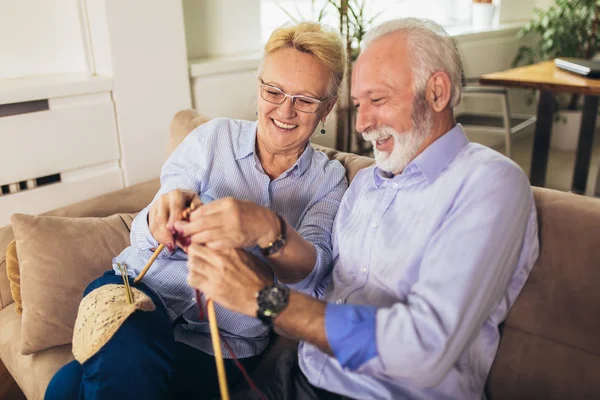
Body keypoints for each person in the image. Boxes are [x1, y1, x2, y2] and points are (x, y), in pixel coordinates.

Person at [186, 18, 539, 400]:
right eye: (358, 104)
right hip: (301, 378)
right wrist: (264, 246)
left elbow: (425, 348)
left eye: (379, 100)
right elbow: (316, 299)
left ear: (437, 92)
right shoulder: (365, 185)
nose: (363, 124)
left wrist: (265, 299)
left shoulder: (489, 182)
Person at [45, 22, 348, 400]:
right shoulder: (212, 138)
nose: (285, 109)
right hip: (136, 291)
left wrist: (268, 230)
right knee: (126, 358)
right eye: (274, 91)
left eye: (305, 100)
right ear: (258, 88)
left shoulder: (329, 181)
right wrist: (163, 218)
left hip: (224, 342)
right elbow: (147, 227)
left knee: (67, 387)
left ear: (328, 109)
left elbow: (311, 277)